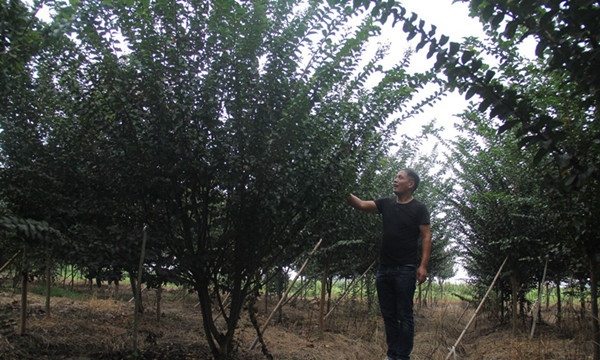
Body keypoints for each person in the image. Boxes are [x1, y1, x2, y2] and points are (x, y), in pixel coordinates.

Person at [347, 168, 431, 360]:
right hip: (383, 270)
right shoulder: (386, 204)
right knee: (389, 315)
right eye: (395, 177)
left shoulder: (419, 208)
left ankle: (403, 356)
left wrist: (423, 265)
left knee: (405, 315)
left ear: (410, 184)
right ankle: (392, 354)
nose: (395, 180)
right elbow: (360, 204)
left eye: (400, 178)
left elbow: (426, 236)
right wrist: (342, 189)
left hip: (405, 270)